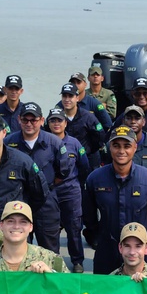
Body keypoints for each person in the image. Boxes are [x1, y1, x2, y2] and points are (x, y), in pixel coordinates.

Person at [83, 126, 147, 274]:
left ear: (135, 147)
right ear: (110, 147)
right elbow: (88, 216)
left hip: (140, 254)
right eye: (116, 146)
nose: (121, 151)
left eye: (127, 146)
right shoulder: (95, 179)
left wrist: (138, 241)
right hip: (107, 252)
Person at [4, 101, 72, 254]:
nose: (29, 124)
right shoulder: (8, 143)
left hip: (46, 201)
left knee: (49, 249)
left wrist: (43, 187)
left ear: (41, 121)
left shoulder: (54, 143)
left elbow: (63, 172)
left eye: (33, 120)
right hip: (18, 200)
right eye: (25, 120)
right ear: (19, 120)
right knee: (18, 248)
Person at [46, 107, 90, 272]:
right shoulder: (43, 142)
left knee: (74, 229)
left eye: (59, 120)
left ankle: (77, 261)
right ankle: (55, 261)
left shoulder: (74, 143)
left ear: (66, 123)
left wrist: (75, 185)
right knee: (51, 230)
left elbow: (84, 166)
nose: (56, 123)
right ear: (47, 123)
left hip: (70, 191)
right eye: (53, 120)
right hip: (50, 193)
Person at [0, 201, 70, 273]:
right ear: (1, 225)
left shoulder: (51, 260)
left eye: (23, 222)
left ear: (31, 227)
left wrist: (52, 276)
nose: (16, 226)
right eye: (10, 221)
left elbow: (73, 292)